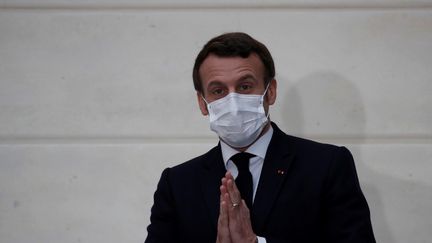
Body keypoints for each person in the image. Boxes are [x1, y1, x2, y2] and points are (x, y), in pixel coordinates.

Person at [145, 32, 376, 243]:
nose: (232, 102)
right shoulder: (177, 184)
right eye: (218, 91)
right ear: (202, 103)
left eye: (245, 86)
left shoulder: (326, 166)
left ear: (271, 91)